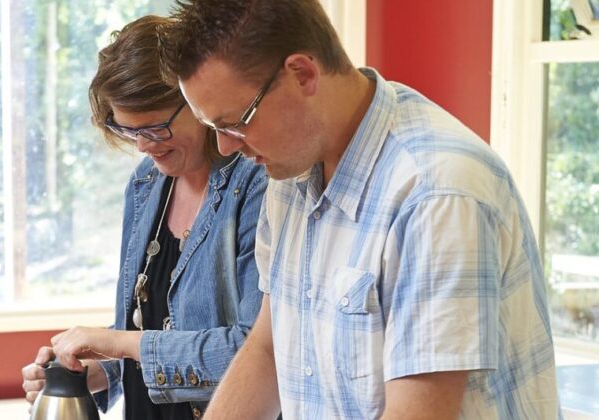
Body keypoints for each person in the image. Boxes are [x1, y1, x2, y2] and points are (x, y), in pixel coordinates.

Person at [158, 1, 561, 419]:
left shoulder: (435, 192)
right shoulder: (290, 174)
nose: (226, 147)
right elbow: (269, 350)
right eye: (214, 129)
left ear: (302, 74)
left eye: (235, 122)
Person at [21, 15, 267, 420]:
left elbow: (255, 352)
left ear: (197, 101)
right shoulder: (147, 183)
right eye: (127, 129)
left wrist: (118, 343)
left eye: (155, 128)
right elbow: (145, 333)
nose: (142, 146)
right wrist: (90, 372)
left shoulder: (255, 184)